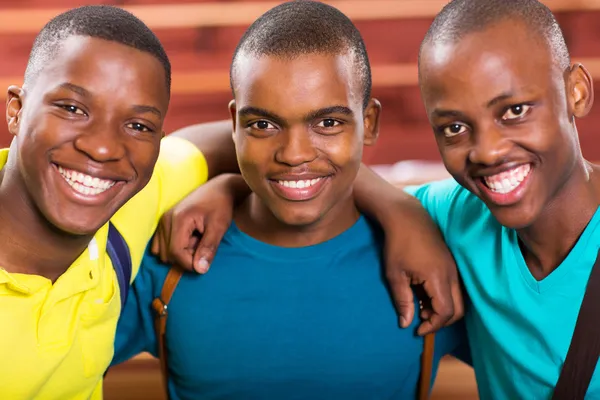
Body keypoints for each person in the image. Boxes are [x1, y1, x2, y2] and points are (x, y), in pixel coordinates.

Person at [112, 2, 468, 399]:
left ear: (368, 123)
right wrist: (230, 184)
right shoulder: (171, 252)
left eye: (328, 123)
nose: (295, 153)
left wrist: (403, 210)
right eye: (263, 124)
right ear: (234, 125)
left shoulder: (436, 262)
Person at [0, 6, 240, 399]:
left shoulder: (129, 204)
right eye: (72, 108)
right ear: (17, 110)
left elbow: (265, 146)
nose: (103, 147)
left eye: (138, 126)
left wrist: (228, 186)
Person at [405, 0, 599, 397]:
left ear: (575, 92)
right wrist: (400, 220)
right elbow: (340, 178)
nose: (487, 152)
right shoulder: (460, 215)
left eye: (515, 110)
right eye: (455, 127)